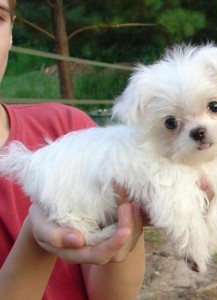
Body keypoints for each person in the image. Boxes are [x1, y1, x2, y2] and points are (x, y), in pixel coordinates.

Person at [0, 1, 146, 299]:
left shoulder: (70, 130)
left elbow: (112, 295)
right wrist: (38, 238)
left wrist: (123, 221)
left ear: (11, 31)